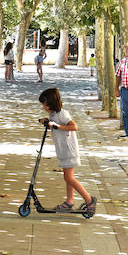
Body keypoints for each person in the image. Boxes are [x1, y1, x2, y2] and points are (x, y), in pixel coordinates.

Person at [38, 87, 96, 215]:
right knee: (68, 178)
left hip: (69, 149)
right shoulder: (53, 115)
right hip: (63, 149)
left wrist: (57, 126)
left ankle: (89, 200)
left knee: (69, 178)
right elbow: (55, 123)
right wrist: (47, 122)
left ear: (51, 103)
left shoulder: (62, 114)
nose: (43, 107)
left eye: (45, 104)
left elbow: (73, 126)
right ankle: (69, 202)